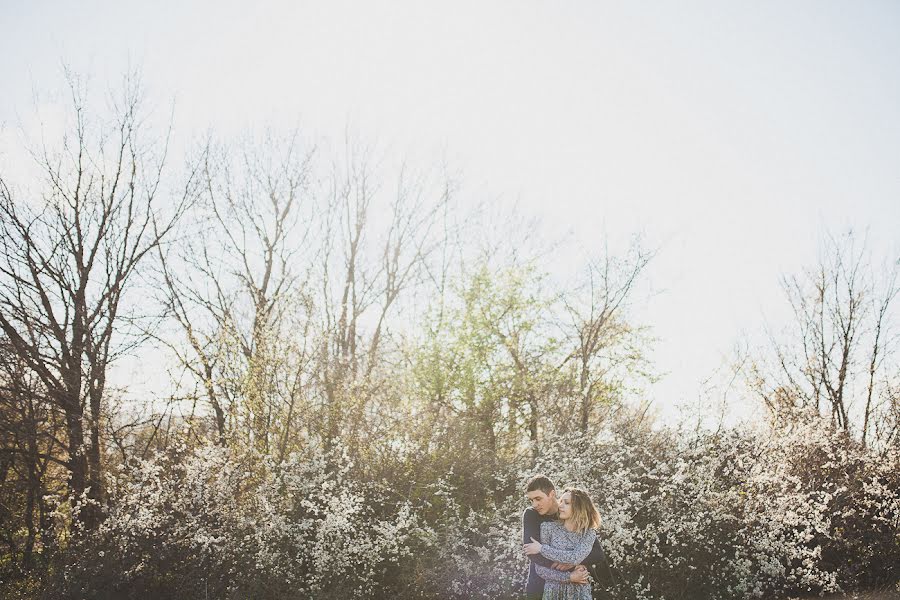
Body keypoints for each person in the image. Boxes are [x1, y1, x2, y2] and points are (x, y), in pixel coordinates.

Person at [522, 476, 608, 599]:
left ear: (551, 494)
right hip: (540, 584)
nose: (535, 504)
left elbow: (597, 553)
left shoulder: (569, 513)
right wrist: (568, 565)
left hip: (575, 586)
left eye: (538, 499)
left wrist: (573, 562)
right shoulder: (532, 515)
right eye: (531, 500)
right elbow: (532, 552)